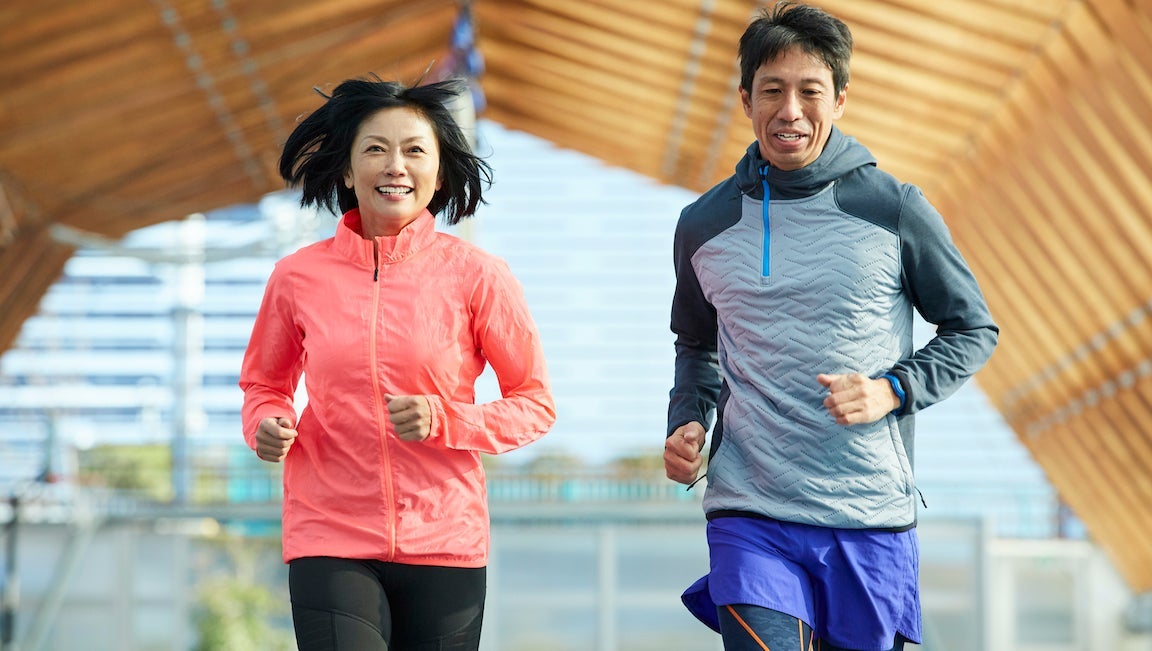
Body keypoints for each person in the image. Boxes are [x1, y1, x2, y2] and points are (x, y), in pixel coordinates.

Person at [662, 3, 999, 650]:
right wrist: (688, 421)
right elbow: (697, 344)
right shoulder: (702, 225)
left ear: (839, 100)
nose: (790, 109)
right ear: (745, 99)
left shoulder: (894, 208)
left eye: (809, 91)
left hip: (868, 516)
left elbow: (971, 329)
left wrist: (892, 390)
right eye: (772, 90)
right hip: (750, 510)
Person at [239, 75, 556, 651]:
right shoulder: (297, 277)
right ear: (346, 169)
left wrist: (445, 420)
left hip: (446, 538)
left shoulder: (477, 275)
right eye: (375, 149)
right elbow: (264, 383)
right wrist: (263, 424)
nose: (395, 166)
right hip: (328, 533)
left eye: (414, 151)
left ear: (438, 173)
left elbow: (534, 405)